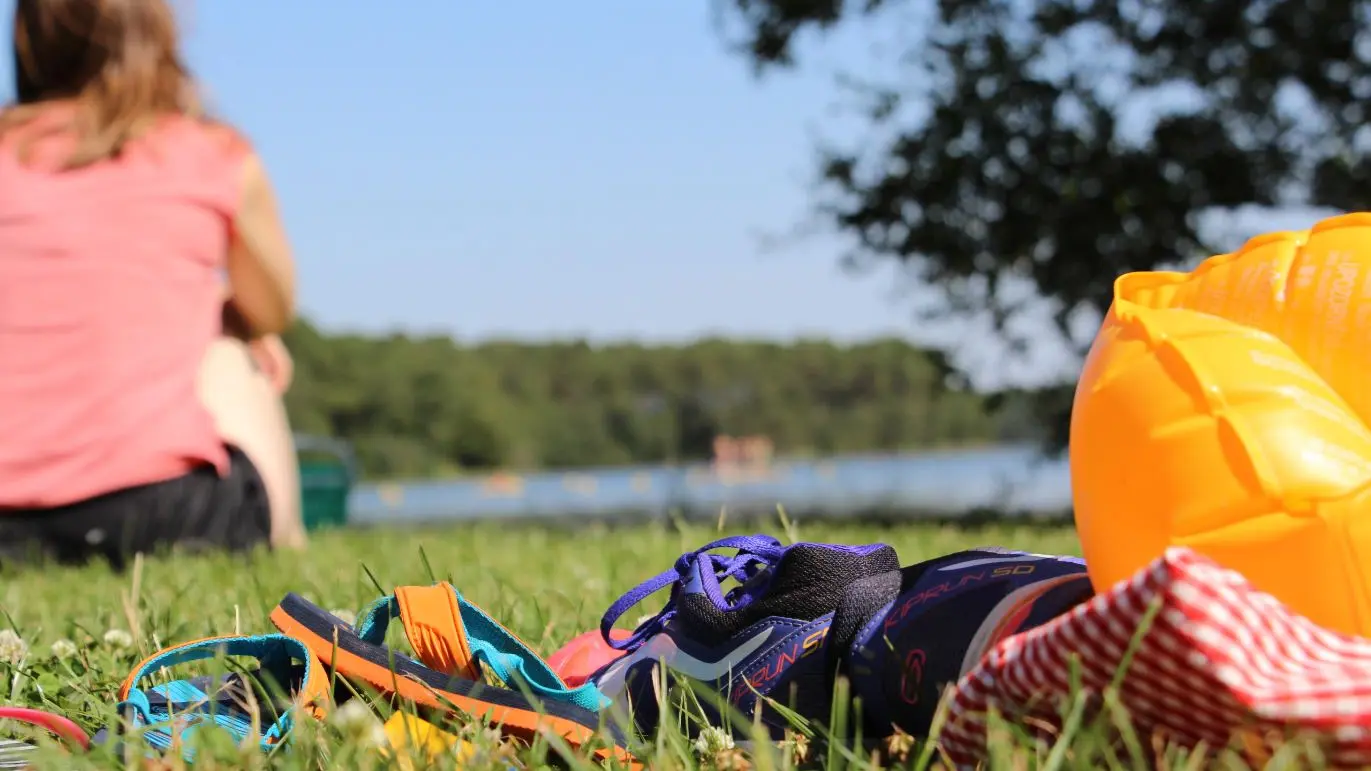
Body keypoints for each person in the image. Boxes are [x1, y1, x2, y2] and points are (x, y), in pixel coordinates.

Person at [0, 0, 307, 566]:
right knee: (238, 338)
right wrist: (221, 308)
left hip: (7, 531)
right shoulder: (212, 155)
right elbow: (272, 309)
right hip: (166, 514)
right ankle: (288, 546)